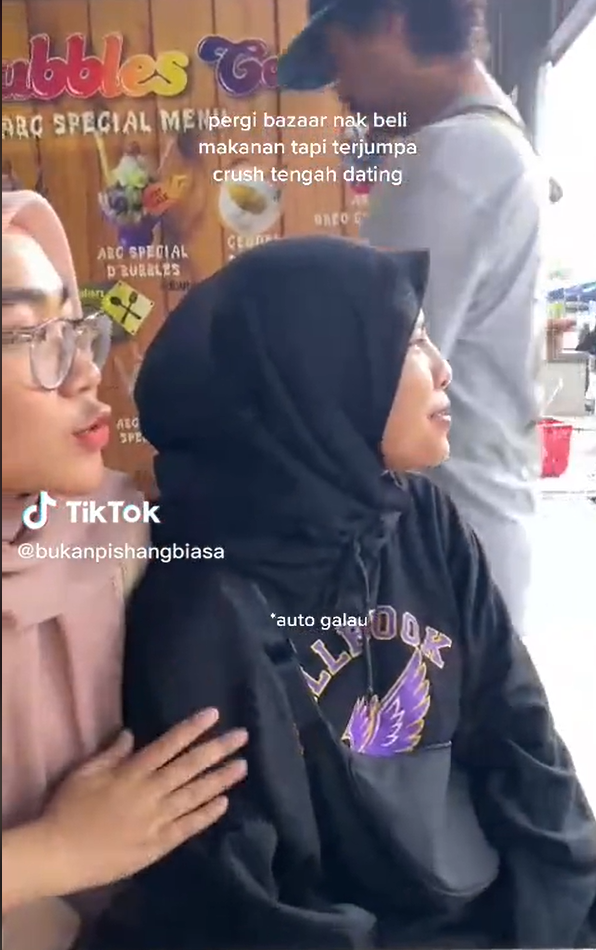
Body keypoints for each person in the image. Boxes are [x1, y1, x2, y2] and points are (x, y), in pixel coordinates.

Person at [88, 238, 595, 950]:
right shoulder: (204, 601)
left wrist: (558, 921)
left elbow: (524, 743)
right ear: (319, 374)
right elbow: (256, 901)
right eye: (412, 343)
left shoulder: (420, 516)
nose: (444, 367)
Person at [1, 191, 248, 949]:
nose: (85, 372)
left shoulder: (114, 531)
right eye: (30, 335)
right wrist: (52, 853)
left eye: (75, 327)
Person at [277, 0, 549, 633]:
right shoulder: (499, 141)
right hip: (478, 522)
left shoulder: (451, 155)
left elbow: (375, 383)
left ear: (392, 21)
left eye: (339, 59)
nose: (341, 92)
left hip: (437, 541)